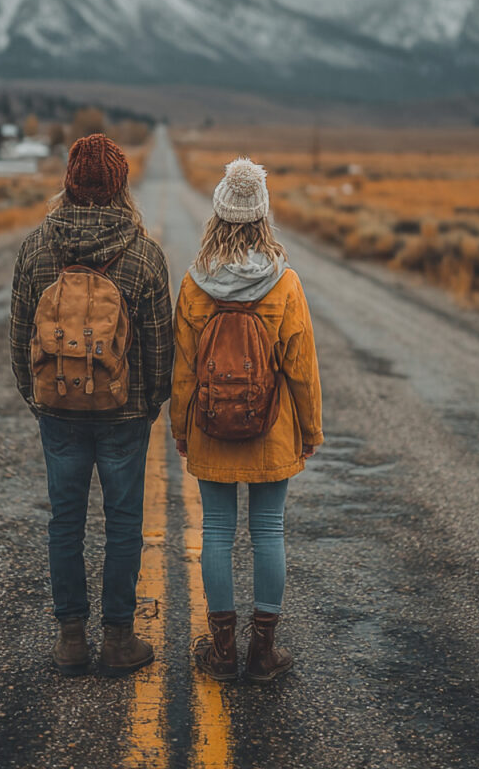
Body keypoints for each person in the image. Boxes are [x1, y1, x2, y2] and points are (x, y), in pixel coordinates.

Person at [10, 133, 173, 678]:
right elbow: (159, 350)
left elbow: (17, 343)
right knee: (125, 524)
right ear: (121, 186)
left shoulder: (36, 249)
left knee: (65, 521)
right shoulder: (144, 254)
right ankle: (119, 639)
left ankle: (71, 640)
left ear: (69, 183)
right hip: (123, 414)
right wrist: (146, 407)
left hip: (58, 410)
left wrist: (41, 402)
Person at [170, 157, 322, 683]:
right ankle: (263, 653)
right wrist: (310, 429)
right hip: (272, 429)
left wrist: (180, 429)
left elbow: (184, 371)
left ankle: (222, 652)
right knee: (268, 530)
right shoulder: (285, 283)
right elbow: (301, 369)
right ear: (263, 216)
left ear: (217, 215)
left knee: (216, 530)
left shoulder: (194, 285)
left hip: (211, 429)